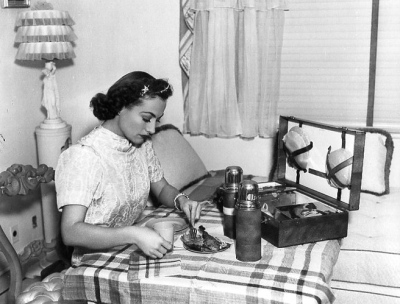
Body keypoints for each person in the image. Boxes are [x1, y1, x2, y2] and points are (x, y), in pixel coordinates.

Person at [55, 71, 207, 264]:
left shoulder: (142, 145)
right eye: (146, 118)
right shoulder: (84, 155)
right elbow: (70, 232)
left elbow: (161, 188)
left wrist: (182, 200)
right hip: (94, 260)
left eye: (156, 120)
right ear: (120, 107)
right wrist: (134, 234)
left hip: (129, 248)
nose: (152, 129)